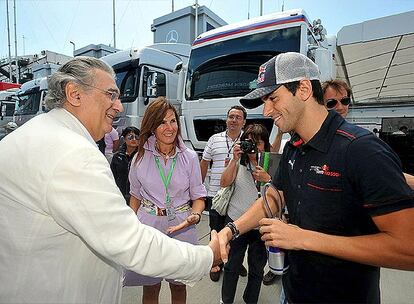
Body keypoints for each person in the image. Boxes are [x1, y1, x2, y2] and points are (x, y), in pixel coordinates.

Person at [0, 57, 222, 304]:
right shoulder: (74, 154)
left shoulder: (35, 134)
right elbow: (129, 241)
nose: (119, 106)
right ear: (74, 94)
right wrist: (206, 256)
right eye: (111, 95)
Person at [218, 52, 414, 303]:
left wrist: (304, 239)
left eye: (273, 98)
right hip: (292, 292)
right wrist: (232, 230)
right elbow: (275, 195)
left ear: (303, 88)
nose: (267, 111)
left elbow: (407, 247)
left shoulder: (362, 150)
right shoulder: (293, 147)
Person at [125, 97, 207, 304]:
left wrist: (195, 215)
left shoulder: (189, 157)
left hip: (182, 226)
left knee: (179, 285)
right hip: (149, 226)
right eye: (162, 122)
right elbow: (135, 196)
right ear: (152, 126)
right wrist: (130, 226)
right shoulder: (139, 157)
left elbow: (198, 196)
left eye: (173, 121)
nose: (169, 127)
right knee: (150, 286)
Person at [220, 123, 271, 304]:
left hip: (261, 226)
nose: (252, 147)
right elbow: (224, 183)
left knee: (257, 270)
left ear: (265, 144)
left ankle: (251, 300)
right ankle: (226, 300)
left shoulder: (271, 163)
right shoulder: (237, 161)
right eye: (248, 142)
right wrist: (234, 160)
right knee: (232, 266)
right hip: (236, 222)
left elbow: (280, 195)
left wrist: (268, 179)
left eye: (257, 143)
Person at [200, 105, 248, 282]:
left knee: (237, 232)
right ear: (226, 119)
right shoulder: (214, 139)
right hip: (216, 193)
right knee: (215, 229)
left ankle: (234, 262)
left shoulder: (248, 141)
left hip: (239, 196)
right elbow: (205, 163)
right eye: (231, 117)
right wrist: (198, 189)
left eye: (238, 117)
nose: (234, 120)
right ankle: (215, 264)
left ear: (244, 121)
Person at [110, 126, 140, 204]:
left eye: (137, 137)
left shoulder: (142, 156)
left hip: (137, 196)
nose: (134, 139)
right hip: (120, 194)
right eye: (130, 137)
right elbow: (112, 177)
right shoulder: (117, 156)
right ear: (124, 138)